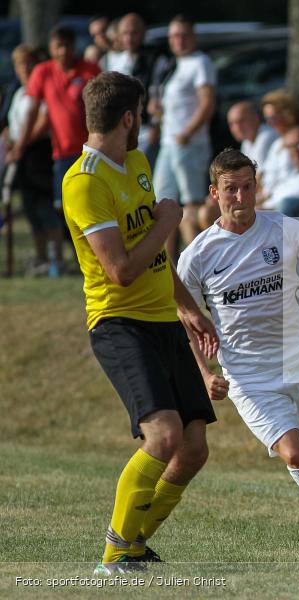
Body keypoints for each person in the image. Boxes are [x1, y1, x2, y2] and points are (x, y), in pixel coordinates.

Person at [61, 71, 219, 575]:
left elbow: (151, 259)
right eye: (142, 114)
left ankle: (134, 543)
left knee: (193, 449)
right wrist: (169, 222)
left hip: (161, 319)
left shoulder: (137, 162)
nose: (145, 121)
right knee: (164, 436)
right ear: (128, 118)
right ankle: (114, 551)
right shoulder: (83, 182)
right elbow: (122, 271)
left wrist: (186, 303)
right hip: (119, 322)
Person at [178, 148, 299, 530]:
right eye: (231, 190)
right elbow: (187, 324)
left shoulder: (285, 228)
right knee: (294, 455)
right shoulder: (196, 256)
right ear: (214, 192)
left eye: (248, 188)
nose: (241, 198)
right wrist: (203, 374)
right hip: (250, 378)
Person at [9, 25, 101, 218]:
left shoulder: (89, 70)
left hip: (90, 151)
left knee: (90, 205)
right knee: (64, 208)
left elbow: (103, 108)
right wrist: (21, 144)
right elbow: (33, 111)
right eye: (58, 46)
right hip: (62, 153)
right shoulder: (43, 72)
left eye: (67, 46)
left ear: (74, 46)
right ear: (51, 48)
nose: (63, 51)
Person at [151, 15, 216, 256]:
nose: (177, 40)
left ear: (193, 37)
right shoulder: (173, 65)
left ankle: (199, 262)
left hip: (189, 144)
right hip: (169, 143)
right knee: (162, 206)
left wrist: (188, 132)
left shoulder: (201, 62)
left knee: (192, 205)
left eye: (182, 35)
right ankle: (170, 268)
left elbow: (207, 103)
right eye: (173, 36)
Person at [3, 44, 59, 276]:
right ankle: (41, 257)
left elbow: (43, 121)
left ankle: (56, 258)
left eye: (28, 63)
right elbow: (10, 123)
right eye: (19, 64)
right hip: (21, 154)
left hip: (38, 153)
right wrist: (9, 139)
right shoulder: (18, 93)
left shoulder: (42, 91)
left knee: (45, 206)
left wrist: (21, 144)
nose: (24, 68)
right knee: (30, 207)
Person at [102, 13, 160, 162]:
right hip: (120, 129)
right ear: (118, 35)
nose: (129, 38)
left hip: (145, 129)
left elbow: (158, 94)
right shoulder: (114, 61)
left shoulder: (156, 59)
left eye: (134, 33)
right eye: (125, 33)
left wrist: (156, 124)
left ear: (143, 33)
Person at [257, 90, 299, 213]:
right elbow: (265, 180)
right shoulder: (276, 144)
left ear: (287, 115)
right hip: (273, 199)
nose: (269, 123)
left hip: (290, 197)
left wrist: (294, 147)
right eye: (266, 119)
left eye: (273, 118)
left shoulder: (298, 136)